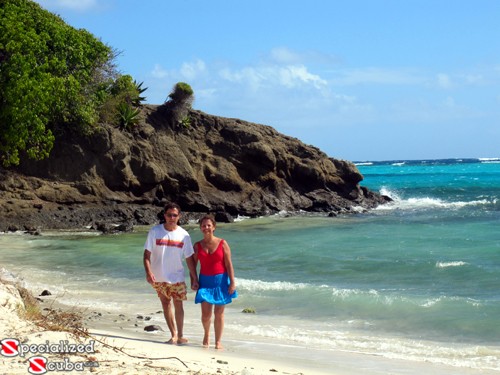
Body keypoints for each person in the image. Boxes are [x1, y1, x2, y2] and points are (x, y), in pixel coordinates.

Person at [143, 202, 199, 344]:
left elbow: (189, 259)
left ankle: (180, 335)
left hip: (177, 276)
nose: (172, 218)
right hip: (159, 276)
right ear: (165, 216)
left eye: (175, 215)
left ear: (179, 217)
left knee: (178, 304)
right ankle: (173, 334)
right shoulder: (155, 231)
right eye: (169, 215)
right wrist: (148, 273)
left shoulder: (184, 235)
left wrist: (194, 278)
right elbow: (146, 255)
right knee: (165, 303)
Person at [192, 214, 237, 349]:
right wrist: (194, 280)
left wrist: (232, 282)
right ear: (200, 228)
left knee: (219, 313)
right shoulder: (197, 246)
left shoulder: (223, 243)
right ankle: (206, 334)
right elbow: (192, 266)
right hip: (205, 282)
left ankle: (218, 341)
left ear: (214, 227)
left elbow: (229, 265)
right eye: (203, 225)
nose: (206, 228)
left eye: (209, 225)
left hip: (221, 281)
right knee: (205, 315)